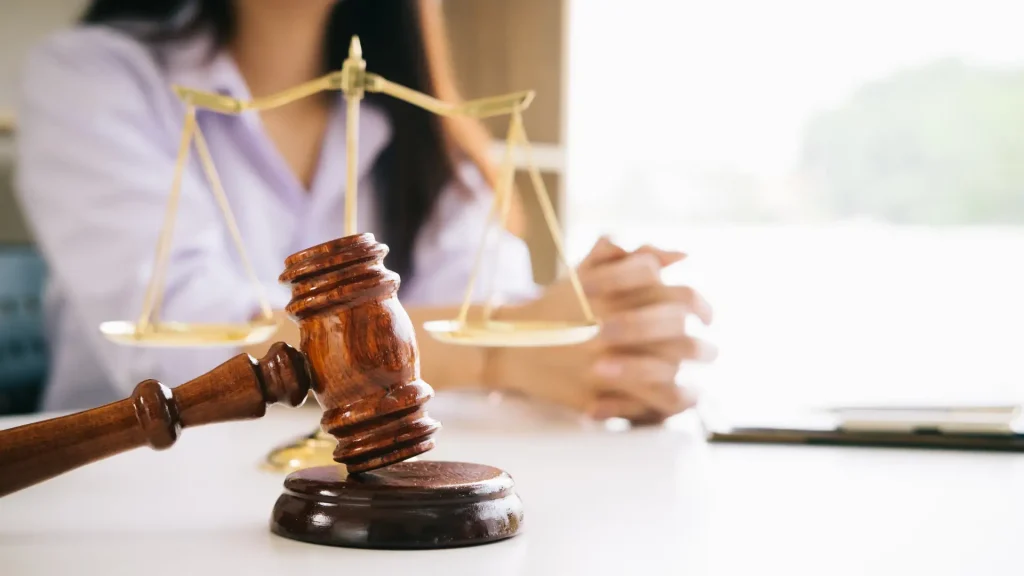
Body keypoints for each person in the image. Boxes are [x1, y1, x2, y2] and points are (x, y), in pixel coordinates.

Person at [15, 0, 715, 421]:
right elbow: (189, 351)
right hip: (136, 493)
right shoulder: (90, 78)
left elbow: (493, 300)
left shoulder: (420, 132)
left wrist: (617, 340)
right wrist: (506, 350)